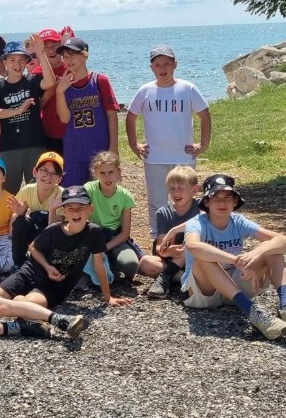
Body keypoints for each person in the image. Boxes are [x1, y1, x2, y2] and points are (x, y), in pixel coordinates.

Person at [179, 174, 286, 339]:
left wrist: (256, 253)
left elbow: (284, 241)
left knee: (272, 250)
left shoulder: (238, 221)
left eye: (227, 197)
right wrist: (236, 260)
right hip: (202, 294)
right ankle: (252, 311)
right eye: (215, 198)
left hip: (233, 289)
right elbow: (193, 246)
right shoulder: (196, 223)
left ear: (235, 202)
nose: (222, 203)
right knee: (203, 257)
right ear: (206, 202)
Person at [0, 186, 131, 309]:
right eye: (70, 208)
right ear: (64, 211)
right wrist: (47, 267)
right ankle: (12, 300)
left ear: (91, 209)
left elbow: (99, 265)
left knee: (27, 305)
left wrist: (108, 297)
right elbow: (33, 248)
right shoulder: (54, 230)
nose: (75, 213)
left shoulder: (93, 233)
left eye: (81, 208)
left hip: (54, 286)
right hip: (30, 273)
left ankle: (17, 301)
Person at [126, 45, 212, 213]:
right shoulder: (145, 91)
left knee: (185, 200)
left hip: (183, 156)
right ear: (151, 68)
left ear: (175, 64)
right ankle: (157, 230)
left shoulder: (187, 88)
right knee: (156, 203)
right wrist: (134, 144)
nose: (162, 68)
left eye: (167, 64)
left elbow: (204, 115)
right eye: (157, 65)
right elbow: (131, 116)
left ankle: (187, 228)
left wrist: (203, 145)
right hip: (154, 158)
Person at [0, 39, 56, 194]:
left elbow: (50, 82)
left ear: (26, 62)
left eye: (21, 60)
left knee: (38, 189)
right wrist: (17, 111)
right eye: (12, 60)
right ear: (4, 62)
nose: (17, 64)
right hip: (9, 147)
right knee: (8, 192)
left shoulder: (32, 81)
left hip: (35, 145)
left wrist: (41, 53)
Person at [53, 37, 119, 188]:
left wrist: (113, 148)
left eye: (72, 55)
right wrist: (59, 92)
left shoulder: (100, 80)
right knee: (73, 194)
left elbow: (112, 115)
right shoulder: (63, 85)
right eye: (65, 56)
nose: (68, 60)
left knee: (101, 192)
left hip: (99, 150)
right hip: (74, 152)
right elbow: (64, 119)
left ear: (85, 55)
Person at [82, 151, 156, 283]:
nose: (107, 177)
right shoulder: (89, 189)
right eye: (102, 173)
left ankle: (113, 262)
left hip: (115, 238)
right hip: (93, 236)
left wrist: (105, 248)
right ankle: (106, 266)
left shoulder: (125, 196)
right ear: (95, 174)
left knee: (130, 265)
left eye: (111, 172)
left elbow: (125, 233)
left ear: (118, 172)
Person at [143, 165, 199, 299]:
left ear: (194, 190)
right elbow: (160, 246)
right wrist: (168, 252)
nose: (176, 193)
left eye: (181, 188)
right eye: (172, 188)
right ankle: (187, 280)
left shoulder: (202, 207)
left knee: (189, 245)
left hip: (196, 259)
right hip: (173, 260)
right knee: (146, 262)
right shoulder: (163, 212)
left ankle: (166, 277)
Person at [8, 152, 66, 269]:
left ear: (59, 179)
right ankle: (18, 263)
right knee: (19, 221)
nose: (48, 176)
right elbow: (12, 229)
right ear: (35, 172)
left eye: (54, 174)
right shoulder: (27, 190)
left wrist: (52, 210)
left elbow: (57, 231)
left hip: (51, 236)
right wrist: (20, 214)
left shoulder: (62, 195)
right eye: (44, 171)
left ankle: (43, 263)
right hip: (33, 230)